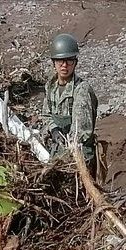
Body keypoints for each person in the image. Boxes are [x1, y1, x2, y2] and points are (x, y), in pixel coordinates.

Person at [42, 33, 98, 164]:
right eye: (60, 61)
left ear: (75, 63)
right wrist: (54, 130)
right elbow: (46, 115)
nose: (64, 65)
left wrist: (64, 154)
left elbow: (81, 131)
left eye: (69, 60)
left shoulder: (81, 89)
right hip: (58, 148)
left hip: (79, 152)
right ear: (54, 62)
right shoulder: (50, 87)